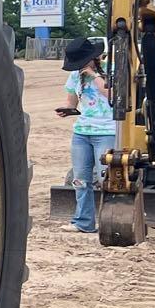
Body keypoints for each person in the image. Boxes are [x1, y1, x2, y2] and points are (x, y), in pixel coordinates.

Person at [60, 37, 115, 233]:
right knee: (81, 179)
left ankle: (113, 220)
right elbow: (72, 101)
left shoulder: (111, 69)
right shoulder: (75, 76)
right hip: (82, 131)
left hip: (107, 130)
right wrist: (66, 110)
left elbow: (112, 95)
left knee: (106, 177)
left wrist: (93, 75)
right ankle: (83, 221)